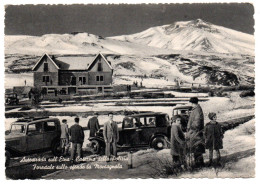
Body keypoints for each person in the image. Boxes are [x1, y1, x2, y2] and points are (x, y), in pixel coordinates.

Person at [186, 97, 205, 168]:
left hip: (196, 133)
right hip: (195, 132)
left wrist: (190, 127)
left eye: (190, 102)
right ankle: (199, 164)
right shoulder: (196, 109)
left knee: (197, 148)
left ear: (192, 103)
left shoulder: (197, 110)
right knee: (196, 149)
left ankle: (199, 165)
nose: (190, 104)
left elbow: (197, 123)